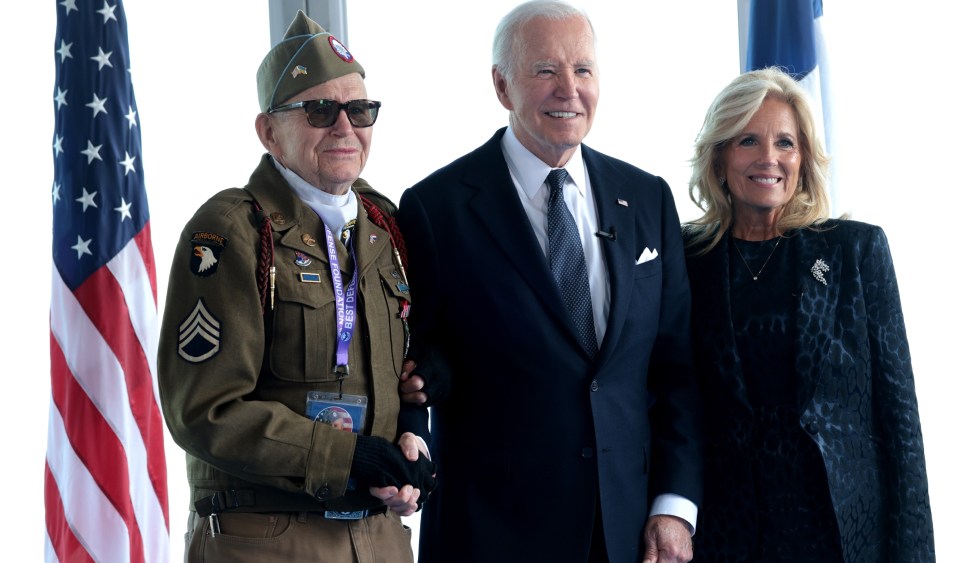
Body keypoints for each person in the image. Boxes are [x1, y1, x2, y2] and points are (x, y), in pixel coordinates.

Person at [394, 2, 702, 562]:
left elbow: (676, 368)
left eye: (583, 70)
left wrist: (673, 505)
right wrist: (415, 431)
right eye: (545, 71)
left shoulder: (648, 199)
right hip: (492, 533)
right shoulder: (436, 208)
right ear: (501, 85)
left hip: (626, 534)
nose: (569, 89)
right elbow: (414, 359)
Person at [157, 11, 435, 562]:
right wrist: (346, 456)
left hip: (378, 539)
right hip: (264, 539)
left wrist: (408, 435)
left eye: (359, 110)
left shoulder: (385, 226)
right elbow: (203, 409)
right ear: (268, 131)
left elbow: (403, 365)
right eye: (318, 110)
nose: (344, 127)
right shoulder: (233, 230)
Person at [682, 66, 935, 562]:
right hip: (724, 531)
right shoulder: (686, 258)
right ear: (719, 157)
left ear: (804, 159)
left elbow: (900, 420)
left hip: (839, 530)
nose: (768, 158)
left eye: (785, 143)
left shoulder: (854, 250)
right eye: (748, 140)